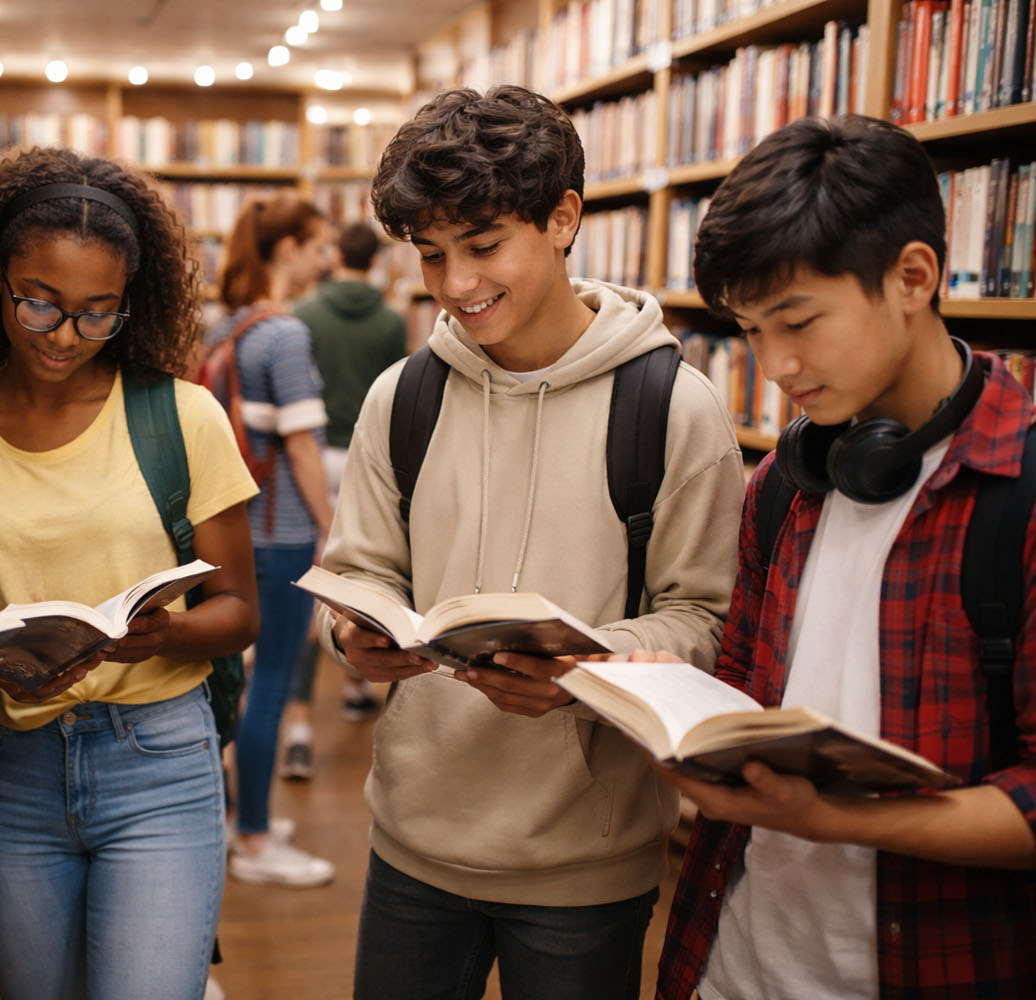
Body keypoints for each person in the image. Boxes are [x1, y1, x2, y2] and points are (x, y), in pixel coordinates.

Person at [317, 85, 745, 999]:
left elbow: (707, 624)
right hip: (411, 848)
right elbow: (357, 569)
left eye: (482, 246)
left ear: (563, 218)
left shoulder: (671, 408)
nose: (455, 284)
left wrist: (584, 671)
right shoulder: (405, 396)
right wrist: (351, 634)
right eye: (431, 256)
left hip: (587, 862)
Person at [654, 115, 1036, 999]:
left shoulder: (1017, 497)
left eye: (797, 321)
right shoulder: (786, 485)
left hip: (925, 966)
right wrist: (671, 703)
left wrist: (831, 818)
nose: (775, 364)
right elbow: (749, 695)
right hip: (733, 958)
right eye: (749, 329)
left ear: (913, 277)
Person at [0, 146, 261, 999]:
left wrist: (163, 632)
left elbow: (239, 612)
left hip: (159, 760)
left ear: (129, 306)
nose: (64, 336)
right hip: (12, 770)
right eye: (39, 304)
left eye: (96, 312)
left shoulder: (182, 415)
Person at [207, 193, 339, 887]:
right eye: (318, 245)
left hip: (232, 529)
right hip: (281, 531)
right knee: (274, 682)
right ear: (285, 250)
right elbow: (306, 450)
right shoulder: (283, 335)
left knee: (235, 682)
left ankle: (237, 816)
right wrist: (333, 528)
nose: (327, 259)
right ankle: (255, 839)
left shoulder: (224, 326)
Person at [280, 220, 407, 780]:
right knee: (364, 580)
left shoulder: (304, 314)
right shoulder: (390, 320)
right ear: (375, 259)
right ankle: (359, 690)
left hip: (311, 456)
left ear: (334, 256)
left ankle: (302, 725)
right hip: (367, 458)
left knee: (317, 592)